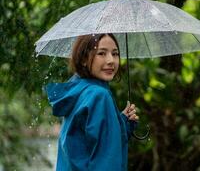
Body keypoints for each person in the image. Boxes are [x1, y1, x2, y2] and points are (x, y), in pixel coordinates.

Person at [46, 33, 139, 171]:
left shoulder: (78, 91)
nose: (111, 60)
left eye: (115, 54)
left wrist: (121, 123)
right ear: (84, 58)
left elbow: (83, 146)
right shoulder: (99, 96)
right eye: (101, 53)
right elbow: (106, 161)